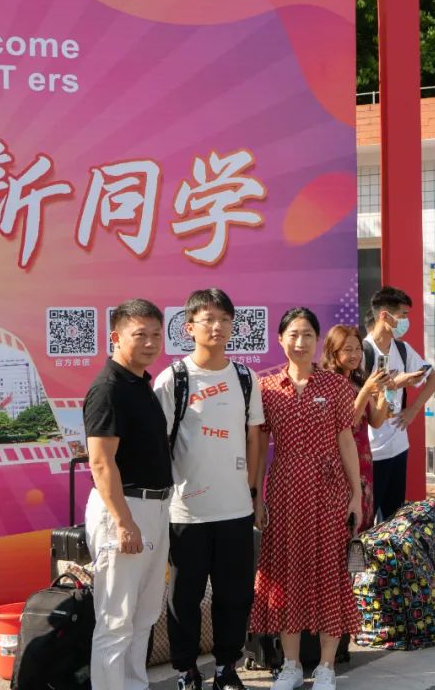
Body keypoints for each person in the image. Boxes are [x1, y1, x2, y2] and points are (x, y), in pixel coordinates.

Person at [152, 289, 266, 690]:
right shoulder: (174, 379)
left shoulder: (245, 377)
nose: (217, 327)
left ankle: (226, 668)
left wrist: (253, 492)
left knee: (234, 595)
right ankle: (186, 670)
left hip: (235, 509)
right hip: (186, 512)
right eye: (208, 319)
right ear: (189, 328)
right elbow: (158, 445)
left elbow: (254, 437)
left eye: (225, 319)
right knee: (184, 597)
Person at [250, 308, 362, 690]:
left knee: (329, 574)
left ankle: (327, 666)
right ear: (280, 339)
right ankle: (291, 665)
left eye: (308, 335)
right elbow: (260, 446)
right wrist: (257, 498)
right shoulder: (266, 387)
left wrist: (356, 495)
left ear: (318, 340)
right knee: (285, 575)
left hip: (329, 491)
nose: (300, 342)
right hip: (284, 491)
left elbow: (346, 440)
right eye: (293, 334)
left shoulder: (335, 385)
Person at [83, 299, 174, 690]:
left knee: (143, 616)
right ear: (116, 338)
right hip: (124, 509)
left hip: (155, 507)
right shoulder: (109, 388)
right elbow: (101, 463)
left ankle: (134, 684)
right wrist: (123, 522)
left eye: (156, 334)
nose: (150, 343)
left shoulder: (141, 384)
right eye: (140, 335)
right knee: (116, 619)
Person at [363, 286, 435, 521]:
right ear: (384, 316)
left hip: (398, 446)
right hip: (371, 451)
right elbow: (358, 395)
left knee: (394, 519)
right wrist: (396, 383)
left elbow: (433, 377)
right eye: (403, 315)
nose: (407, 321)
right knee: (366, 521)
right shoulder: (363, 351)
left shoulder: (402, 349)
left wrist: (413, 410)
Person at [322, 324, 390, 532]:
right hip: (339, 465)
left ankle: (357, 556)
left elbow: (376, 421)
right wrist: (367, 390)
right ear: (333, 352)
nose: (355, 355)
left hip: (364, 465)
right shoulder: (327, 383)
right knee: (342, 525)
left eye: (358, 349)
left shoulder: (359, 380)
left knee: (362, 524)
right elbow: (347, 423)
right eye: (348, 349)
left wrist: (385, 392)